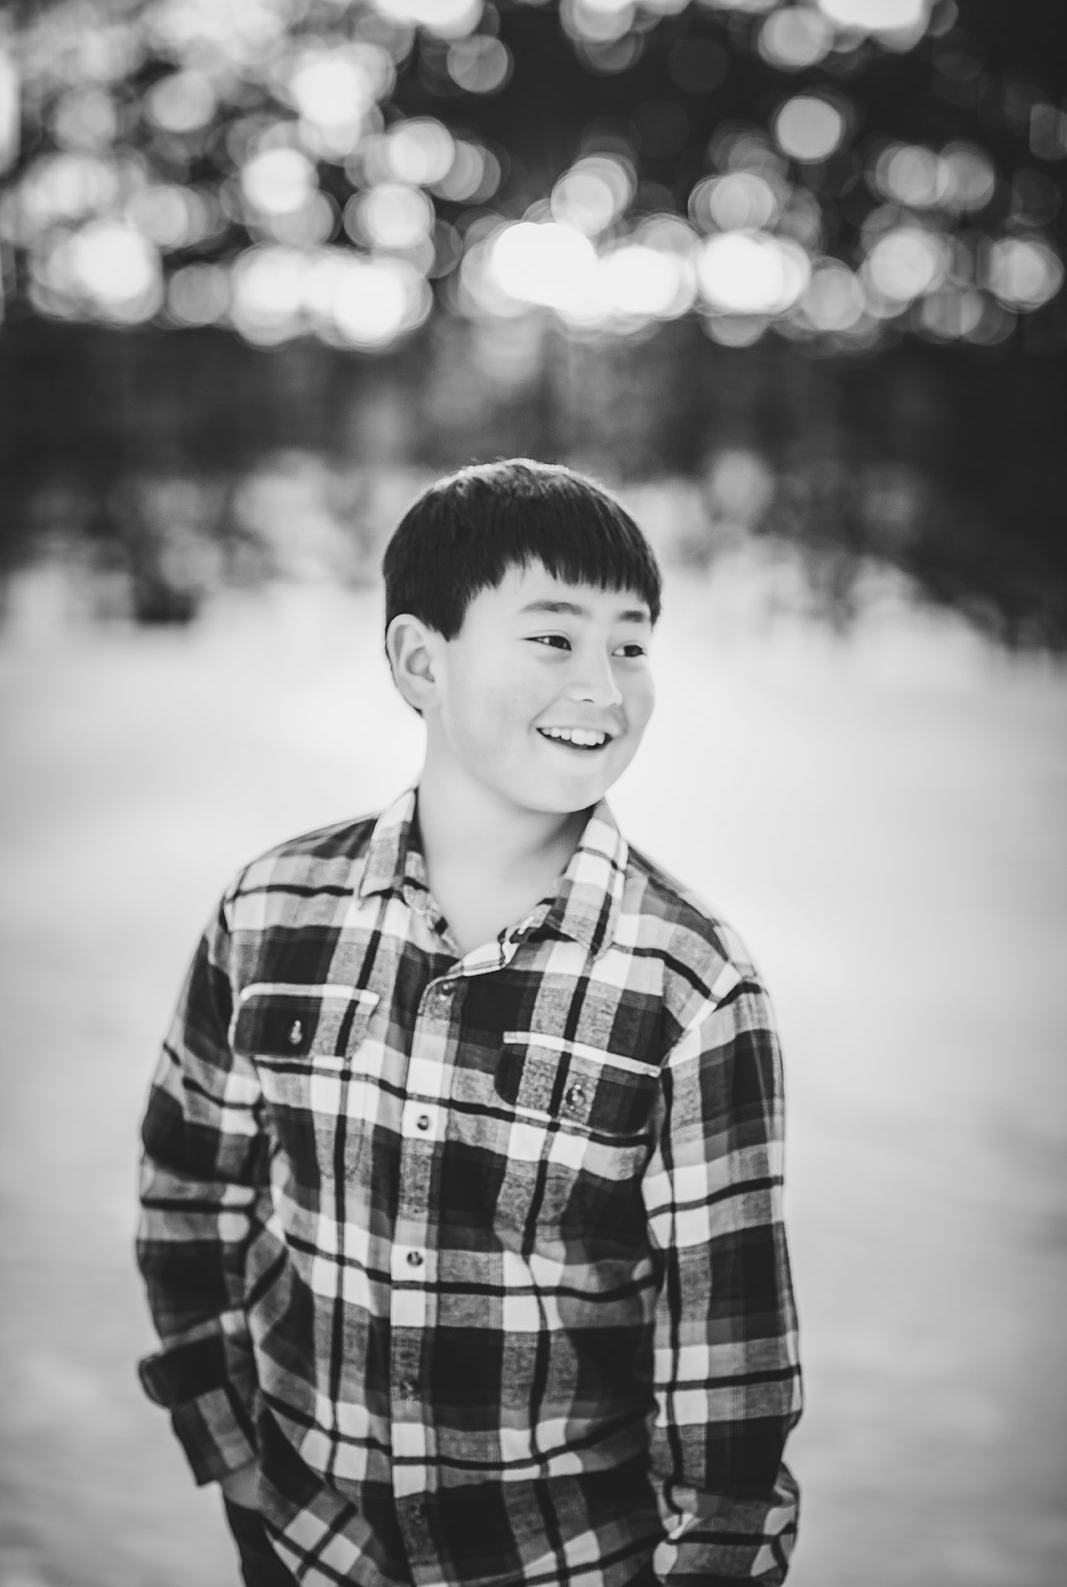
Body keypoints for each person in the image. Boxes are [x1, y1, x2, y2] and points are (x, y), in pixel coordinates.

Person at [136, 458, 802, 1587]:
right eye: (551, 637)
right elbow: (190, 1186)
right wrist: (232, 1447)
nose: (601, 685)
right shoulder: (272, 910)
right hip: (303, 1540)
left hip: (566, 1556)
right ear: (419, 661)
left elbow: (725, 1359)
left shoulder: (689, 981)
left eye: (630, 646)